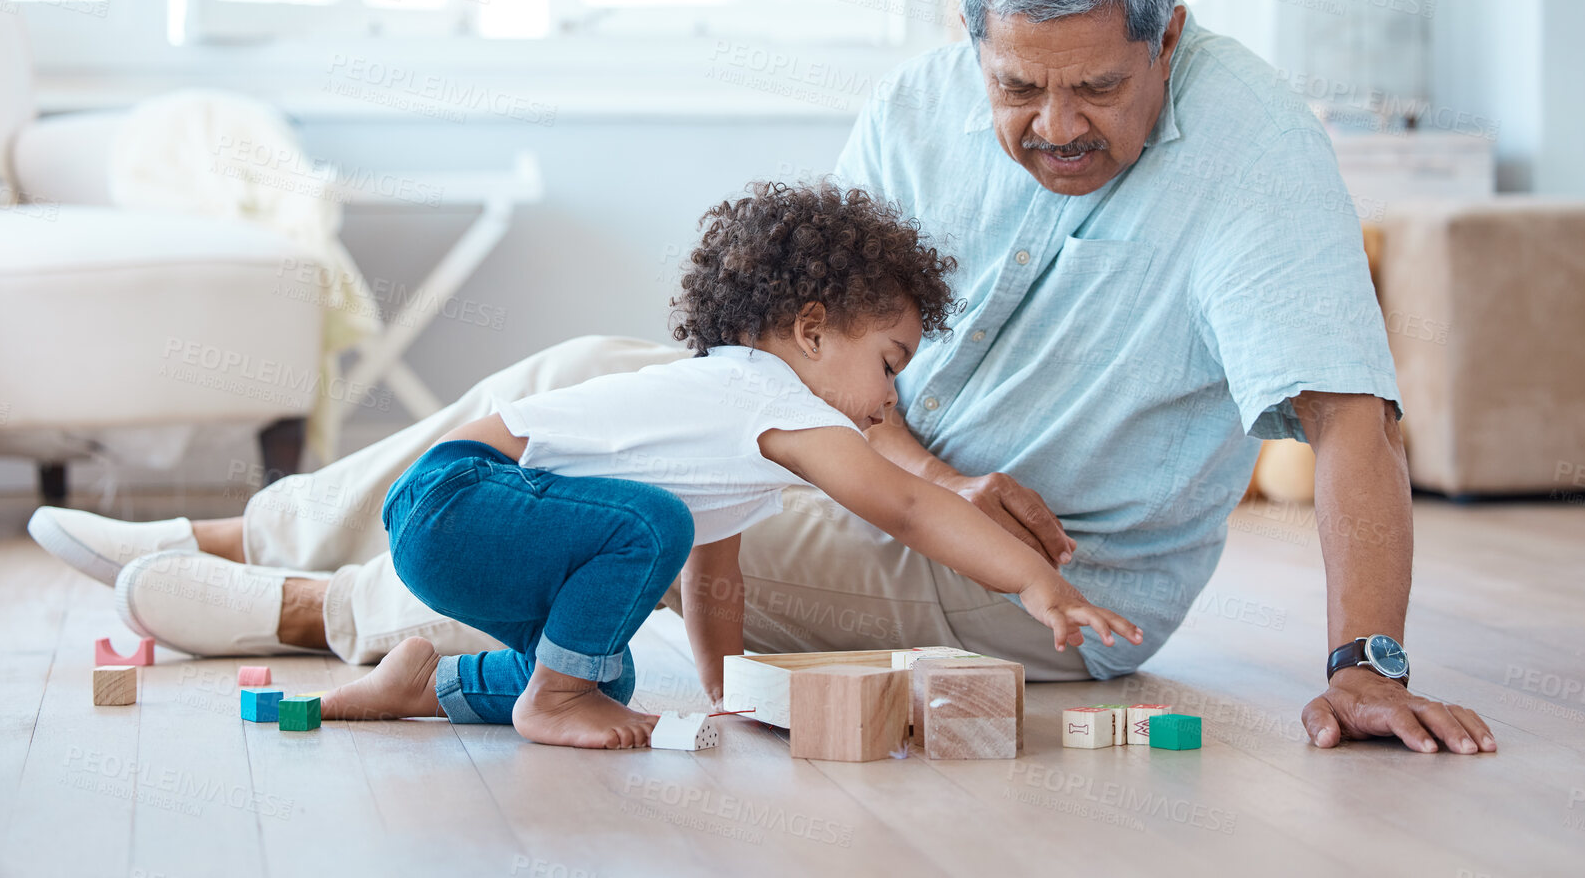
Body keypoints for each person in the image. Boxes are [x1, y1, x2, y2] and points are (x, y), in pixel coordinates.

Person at [32, 0, 1494, 755]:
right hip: (880, 472)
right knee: (588, 377)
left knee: (632, 492)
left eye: (1097, 89)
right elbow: (811, 363)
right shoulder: (922, 102)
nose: (1052, 123)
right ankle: (248, 533)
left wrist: (1364, 663)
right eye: (1016, 86)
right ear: (965, 38)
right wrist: (927, 466)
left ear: (1166, 36)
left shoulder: (1254, 150)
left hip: (1038, 580)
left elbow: (1351, 419)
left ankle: (300, 601)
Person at [315, 182, 1138, 748]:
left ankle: (424, 683)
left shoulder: (732, 440)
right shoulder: (772, 398)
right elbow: (911, 509)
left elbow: (715, 581)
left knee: (606, 661)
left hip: (461, 513)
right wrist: (1037, 582)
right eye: (889, 364)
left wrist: (725, 691)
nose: (892, 401)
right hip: (461, 495)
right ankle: (552, 699)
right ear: (810, 330)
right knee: (652, 529)